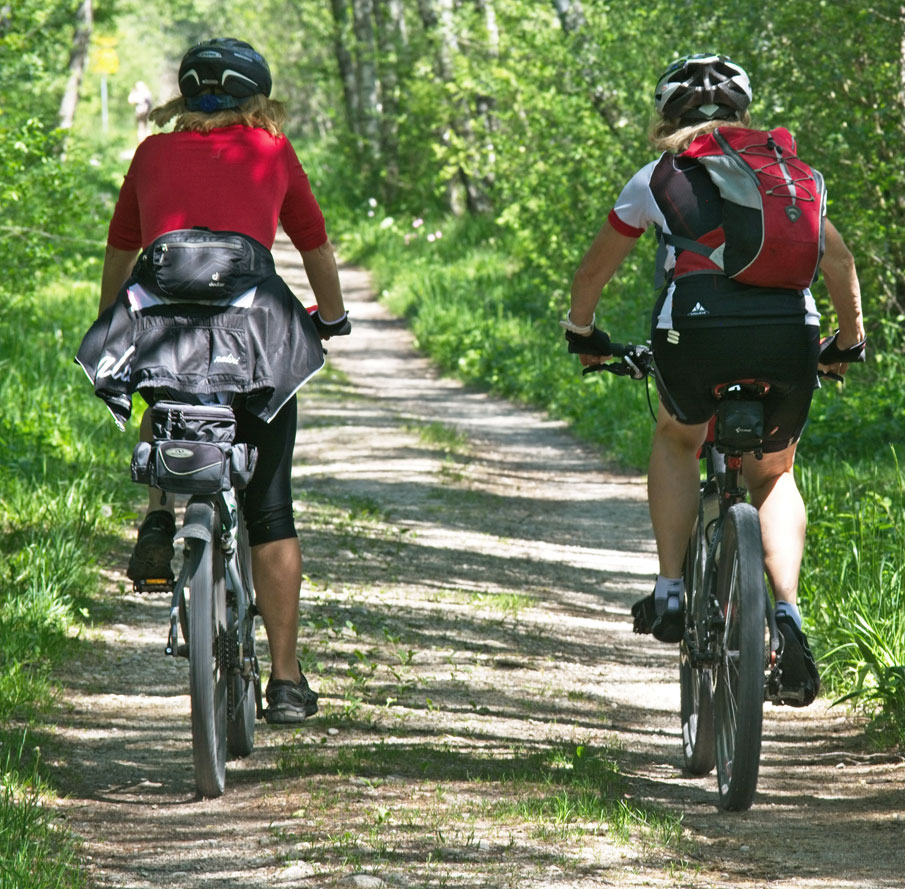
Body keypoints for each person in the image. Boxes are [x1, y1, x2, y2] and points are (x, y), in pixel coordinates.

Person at [563, 54, 865, 706]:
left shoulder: (656, 177)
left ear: (665, 117)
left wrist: (582, 335)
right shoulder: (787, 173)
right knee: (774, 473)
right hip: (788, 335)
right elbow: (835, 258)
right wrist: (846, 342)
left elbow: (591, 275)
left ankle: (671, 589)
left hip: (694, 335)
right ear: (742, 114)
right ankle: (786, 613)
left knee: (676, 436)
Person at [95, 38, 350, 724]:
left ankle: (157, 512)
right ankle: (287, 681)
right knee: (270, 506)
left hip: (162, 325)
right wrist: (333, 318)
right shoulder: (270, 150)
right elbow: (313, 243)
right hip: (254, 334)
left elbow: (123, 248)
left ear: (185, 98)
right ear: (255, 99)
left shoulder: (150, 153)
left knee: (162, 384)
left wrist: (110, 321)